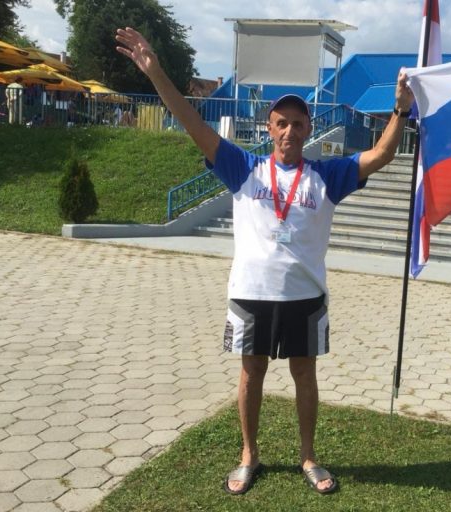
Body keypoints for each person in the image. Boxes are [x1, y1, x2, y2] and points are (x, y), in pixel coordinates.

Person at [116, 26, 414, 496]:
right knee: (251, 372)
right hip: (251, 293)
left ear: (308, 129)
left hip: (305, 295)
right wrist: (156, 74)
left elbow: (381, 153)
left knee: (304, 375)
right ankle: (249, 454)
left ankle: (309, 456)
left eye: (298, 123)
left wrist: (400, 109)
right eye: (281, 123)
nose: (289, 130)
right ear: (269, 128)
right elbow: (192, 122)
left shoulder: (327, 176)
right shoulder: (244, 169)